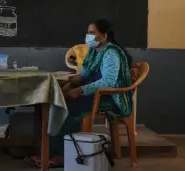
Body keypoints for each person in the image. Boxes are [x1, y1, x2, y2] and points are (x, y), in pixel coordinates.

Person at [25, 19, 133, 168]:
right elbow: (83, 75)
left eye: (92, 33)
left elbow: (108, 82)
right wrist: (69, 84)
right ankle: (53, 150)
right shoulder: (94, 52)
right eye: (88, 32)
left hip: (107, 98)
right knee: (52, 101)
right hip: (92, 94)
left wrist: (80, 90)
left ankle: (58, 155)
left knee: (65, 106)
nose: (88, 36)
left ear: (104, 36)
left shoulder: (111, 53)